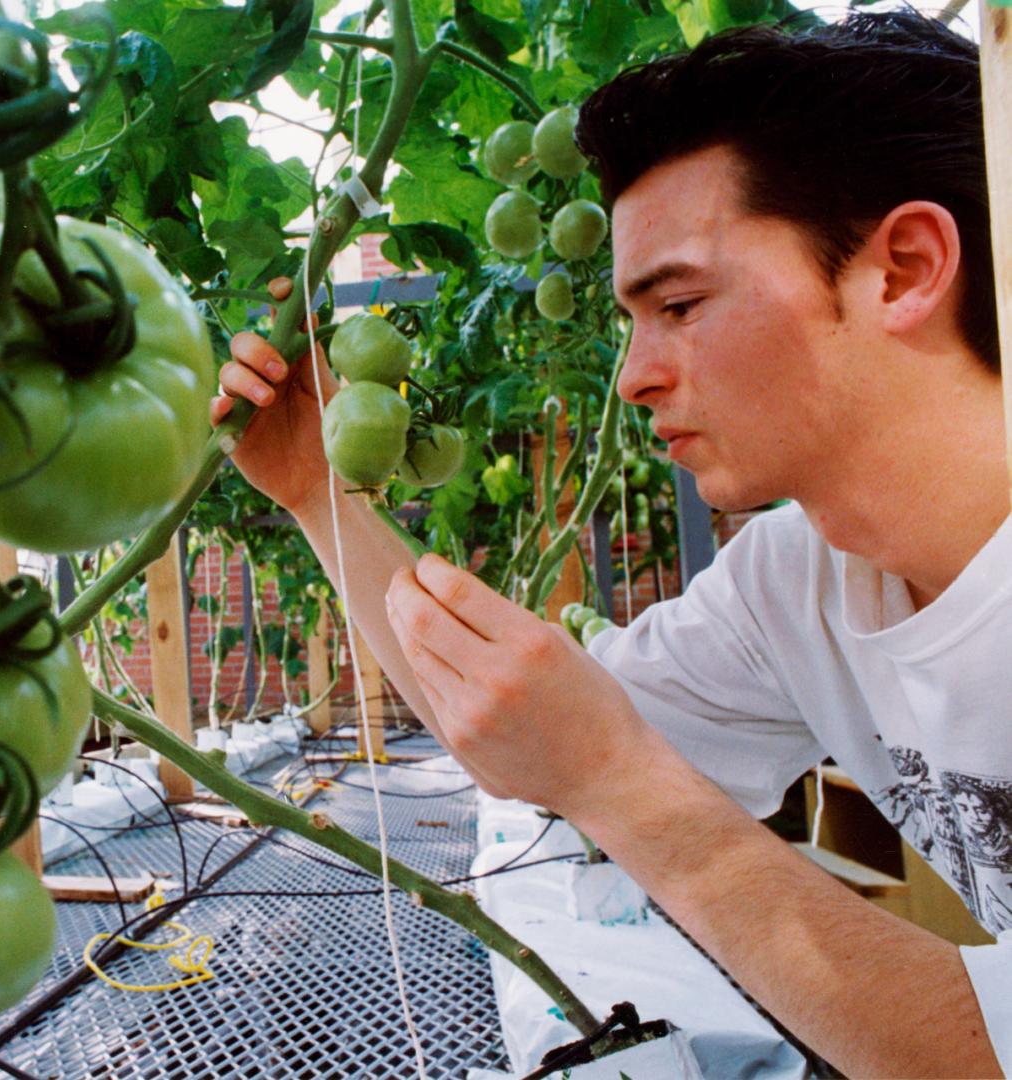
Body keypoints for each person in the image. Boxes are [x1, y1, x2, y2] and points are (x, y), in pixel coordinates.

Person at [211, 11, 1010, 1076]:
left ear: (902, 269)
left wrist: (617, 781)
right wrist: (316, 491)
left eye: (678, 302)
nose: (633, 374)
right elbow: (511, 736)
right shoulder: (796, 581)